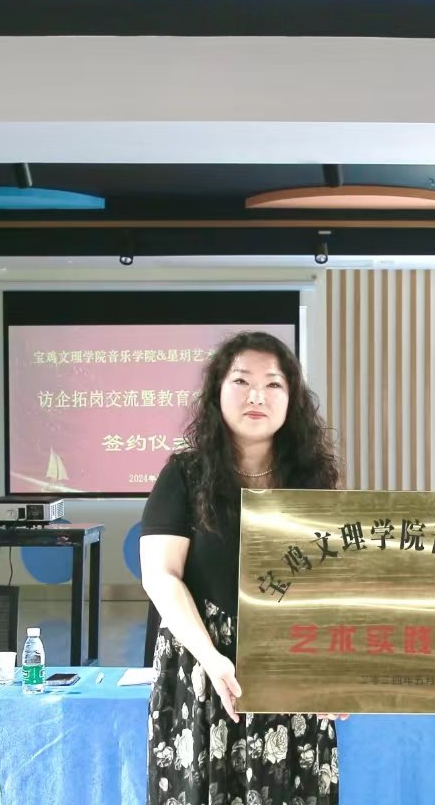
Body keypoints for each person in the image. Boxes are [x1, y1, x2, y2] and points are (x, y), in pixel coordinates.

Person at [139, 331, 343, 805]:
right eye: (241, 381)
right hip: (203, 666)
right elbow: (161, 575)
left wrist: (336, 672)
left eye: (273, 384)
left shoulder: (313, 480)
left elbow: (330, 586)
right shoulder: (184, 474)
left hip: (291, 663)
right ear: (217, 392)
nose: (257, 396)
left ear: (292, 399)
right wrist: (212, 658)